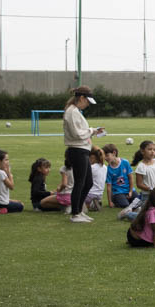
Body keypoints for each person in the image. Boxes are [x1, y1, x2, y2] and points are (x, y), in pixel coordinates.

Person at [62, 85, 104, 223]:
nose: (88, 104)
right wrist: (92, 131)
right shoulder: (72, 112)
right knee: (80, 183)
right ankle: (75, 214)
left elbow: (81, 131)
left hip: (82, 150)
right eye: (87, 101)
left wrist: (94, 130)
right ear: (81, 98)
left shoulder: (75, 111)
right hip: (77, 150)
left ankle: (79, 211)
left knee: (88, 182)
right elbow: (77, 134)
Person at [103, 143, 135, 210]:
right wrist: (110, 202)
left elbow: (131, 178)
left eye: (107, 155)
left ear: (114, 153)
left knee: (138, 202)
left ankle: (126, 199)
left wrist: (131, 191)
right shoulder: (108, 169)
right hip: (118, 192)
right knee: (125, 205)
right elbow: (109, 186)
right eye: (104, 156)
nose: (105, 158)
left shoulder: (125, 162)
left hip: (128, 190)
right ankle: (115, 199)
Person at [86, 146, 107, 211]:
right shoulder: (105, 167)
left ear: (92, 157)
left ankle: (89, 204)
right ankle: (94, 203)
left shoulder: (91, 168)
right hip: (99, 195)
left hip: (90, 194)